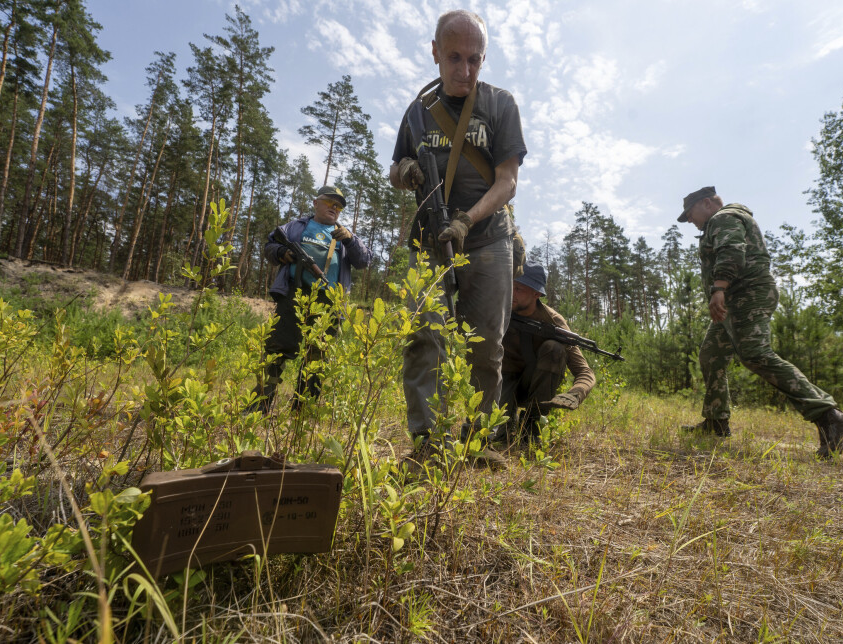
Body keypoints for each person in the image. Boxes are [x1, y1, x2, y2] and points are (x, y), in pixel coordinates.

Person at [389, 10, 527, 454]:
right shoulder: (418, 111)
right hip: (430, 241)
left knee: (486, 346)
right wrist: (406, 171)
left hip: (488, 241)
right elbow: (394, 168)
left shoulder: (500, 105)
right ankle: (428, 442)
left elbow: (507, 180)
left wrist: (468, 219)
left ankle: (478, 439)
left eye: (475, 59)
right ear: (434, 53)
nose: (465, 70)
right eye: (454, 58)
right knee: (426, 340)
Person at [679, 186, 843, 459]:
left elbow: (732, 250)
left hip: (746, 296)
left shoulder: (723, 217)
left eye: (690, 214)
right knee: (712, 354)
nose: (690, 221)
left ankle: (833, 419)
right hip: (734, 300)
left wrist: (718, 287)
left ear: (706, 203)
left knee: (756, 354)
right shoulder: (723, 220)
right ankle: (715, 422)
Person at [248, 186, 372, 415]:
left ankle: (302, 411)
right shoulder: (295, 227)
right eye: (329, 202)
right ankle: (259, 406)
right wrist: (280, 253)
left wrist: (351, 240)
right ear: (316, 203)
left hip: (329, 302)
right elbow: (270, 246)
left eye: (339, 205)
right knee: (276, 350)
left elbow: (364, 260)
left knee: (318, 356)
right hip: (293, 296)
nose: (334, 208)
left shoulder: (344, 233)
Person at [495, 260, 596, 443]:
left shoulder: (554, 322)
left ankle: (532, 426)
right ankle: (508, 419)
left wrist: (576, 393)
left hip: (534, 386)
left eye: (519, 289)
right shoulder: (496, 309)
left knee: (555, 349)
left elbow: (585, 372)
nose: (512, 292)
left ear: (536, 294)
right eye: (511, 285)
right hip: (500, 383)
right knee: (497, 438)